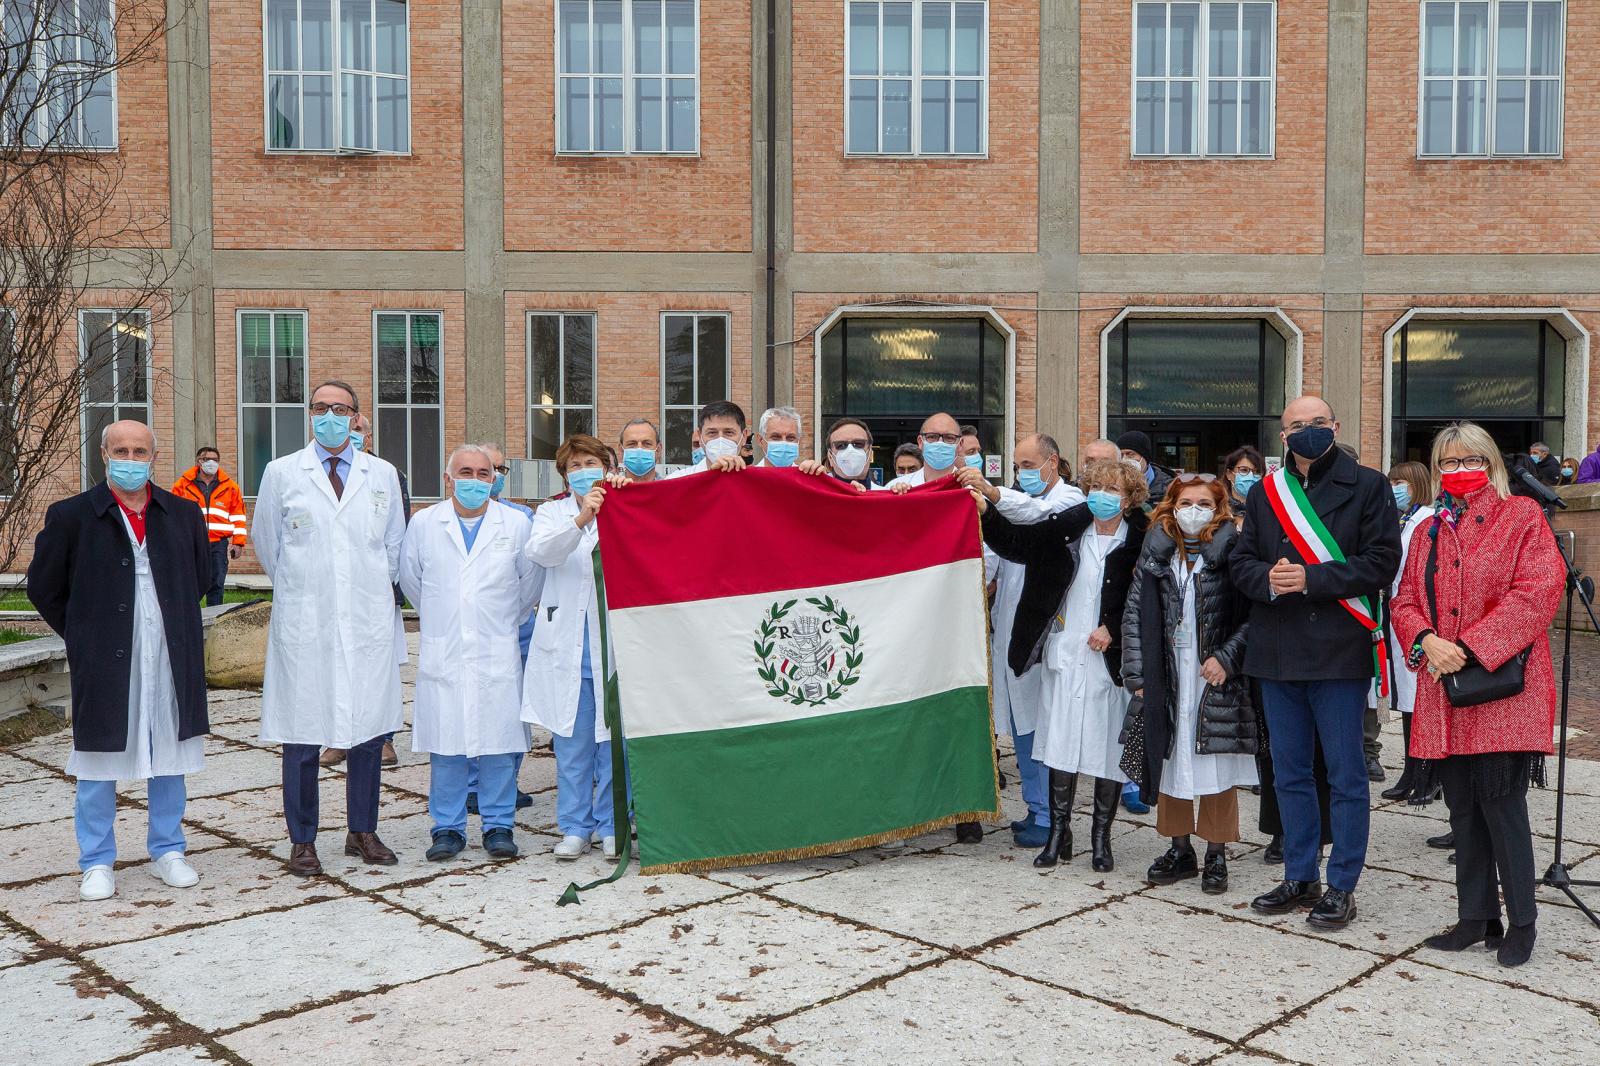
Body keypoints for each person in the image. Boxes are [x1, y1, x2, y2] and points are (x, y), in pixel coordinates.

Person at [1391, 422, 1564, 968]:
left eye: (1469, 461)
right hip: (1444, 689)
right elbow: (1404, 600)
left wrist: (1466, 646)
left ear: (1490, 463)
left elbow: (1538, 593)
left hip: (1502, 687)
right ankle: (1475, 916)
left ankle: (1522, 922)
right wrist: (1424, 639)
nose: (1458, 471)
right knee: (1462, 808)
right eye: (1447, 462)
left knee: (1502, 807)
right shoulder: (1428, 530)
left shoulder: (1522, 517)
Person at [1232, 396, 1401, 928]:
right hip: (1276, 650)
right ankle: (1300, 873)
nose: (1306, 432)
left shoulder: (1368, 485)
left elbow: (1381, 562)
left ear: (1336, 426)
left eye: (1316, 424)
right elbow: (1242, 561)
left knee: (1346, 774)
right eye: (1295, 426)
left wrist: (1311, 579)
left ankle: (1342, 884)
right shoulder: (1266, 491)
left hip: (1337, 650)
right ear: (1283, 437)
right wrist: (1268, 581)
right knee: (1289, 773)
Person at [28, 421, 211, 901]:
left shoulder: (183, 514)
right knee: (98, 758)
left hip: (169, 651)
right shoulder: (72, 516)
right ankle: (96, 860)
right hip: (106, 657)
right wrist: (84, 633)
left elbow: (200, 577)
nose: (131, 459)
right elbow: (43, 587)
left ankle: (168, 849)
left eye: (141, 451)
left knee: (169, 753)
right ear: (104, 455)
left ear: (155, 457)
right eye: (121, 450)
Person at [252, 380, 407, 877]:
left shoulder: (381, 474)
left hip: (366, 622)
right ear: (309, 415)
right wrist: (307, 589)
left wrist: (358, 594)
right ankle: (302, 840)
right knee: (302, 734)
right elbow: (269, 545)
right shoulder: (282, 472)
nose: (332, 416)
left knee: (366, 728)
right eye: (322, 408)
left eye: (341, 409)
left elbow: (393, 548)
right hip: (306, 621)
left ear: (357, 418)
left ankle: (362, 830)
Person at [976, 458, 1146, 868]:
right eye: (1096, 488)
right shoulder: (1071, 524)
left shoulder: (1144, 538)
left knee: (1107, 746)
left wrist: (1113, 627)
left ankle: (1101, 839)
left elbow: (1149, 598)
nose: (1102, 497)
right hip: (1065, 651)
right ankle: (1059, 833)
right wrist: (987, 513)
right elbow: (1020, 543)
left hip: (1111, 658)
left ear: (1129, 499)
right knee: (1060, 744)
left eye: (1113, 491)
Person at [398, 445, 541, 862]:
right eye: (466, 471)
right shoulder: (425, 524)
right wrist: (451, 619)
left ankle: (499, 825)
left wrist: (491, 623)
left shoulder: (515, 524)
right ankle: (447, 827)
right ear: (448, 478)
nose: (475, 480)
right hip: (445, 651)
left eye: (484, 473)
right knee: (447, 746)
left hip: (497, 649)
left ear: (494, 478)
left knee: (498, 743)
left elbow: (528, 587)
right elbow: (412, 581)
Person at [1122, 475, 1257, 894]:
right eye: (1185, 502)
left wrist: (1227, 659)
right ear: (1171, 506)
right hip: (1168, 673)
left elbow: (1254, 614)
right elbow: (1133, 614)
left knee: (1214, 761)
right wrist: (1138, 674)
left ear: (1218, 508)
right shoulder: (1157, 551)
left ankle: (1216, 853)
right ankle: (1180, 849)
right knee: (1171, 760)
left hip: (1213, 674)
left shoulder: (1234, 551)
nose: (1193, 510)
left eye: (1203, 503)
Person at [958, 435, 1087, 848]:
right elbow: (999, 551)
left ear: (1053, 461)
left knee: (1042, 726)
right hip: (1010, 631)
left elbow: (1038, 517)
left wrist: (993, 495)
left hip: (1047, 638)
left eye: (1029, 464)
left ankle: (1051, 816)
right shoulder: (1014, 499)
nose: (1022, 473)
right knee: (1020, 725)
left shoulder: (1070, 502)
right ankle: (1035, 808)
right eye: (1017, 466)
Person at [523, 434, 619, 859]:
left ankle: (612, 824)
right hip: (566, 647)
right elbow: (541, 553)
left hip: (614, 645)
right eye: (575, 465)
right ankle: (575, 827)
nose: (585, 471)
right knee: (573, 745)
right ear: (564, 474)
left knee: (612, 744)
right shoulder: (552, 513)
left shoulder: (626, 506)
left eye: (592, 463)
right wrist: (580, 519)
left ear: (607, 466)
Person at [321, 414, 407, 770]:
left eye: (357, 429)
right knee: (333, 665)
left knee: (378, 670)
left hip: (375, 592)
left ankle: (382, 739)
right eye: (349, 427)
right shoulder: (310, 472)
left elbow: (396, 535)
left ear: (368, 437)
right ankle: (338, 738)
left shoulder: (386, 474)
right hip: (329, 590)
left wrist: (382, 584)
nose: (350, 433)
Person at [1377, 461, 1437, 803]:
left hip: (1418, 616)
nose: (1394, 488)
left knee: (1421, 699)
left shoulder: (1426, 520)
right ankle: (1411, 771)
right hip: (1398, 613)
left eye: (1400, 482)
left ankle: (1429, 776)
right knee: (1408, 702)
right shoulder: (1400, 521)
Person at [170, 445, 247, 606]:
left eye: (215, 460)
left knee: (217, 584)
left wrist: (238, 543)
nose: (211, 463)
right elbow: (172, 515)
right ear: (198, 461)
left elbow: (238, 516)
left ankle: (215, 620)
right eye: (207, 459)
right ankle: (190, 619)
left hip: (218, 545)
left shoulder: (230, 487)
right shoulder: (182, 485)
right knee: (190, 585)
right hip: (192, 543)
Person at [666, 401, 748, 478]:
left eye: (729, 432)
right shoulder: (678, 480)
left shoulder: (755, 483)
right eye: (712, 433)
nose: (720, 440)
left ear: (744, 436)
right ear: (700, 436)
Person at [800, 417, 886, 492]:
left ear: (870, 453)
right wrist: (802, 477)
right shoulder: (815, 494)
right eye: (841, 445)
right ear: (830, 457)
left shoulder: (886, 498)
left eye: (858, 443)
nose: (850, 450)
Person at [889, 413, 962, 490]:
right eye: (932, 437)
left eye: (949, 437)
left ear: (960, 444)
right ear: (920, 442)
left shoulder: (971, 489)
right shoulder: (894, 488)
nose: (940, 443)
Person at [1116, 430, 1174, 502]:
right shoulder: (1112, 484)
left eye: (1130, 454)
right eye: (1121, 455)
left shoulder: (1169, 487)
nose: (1124, 459)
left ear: (1145, 456)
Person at [618, 419, 663, 484]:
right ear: (621, 450)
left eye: (647, 443)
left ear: (658, 450)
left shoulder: (672, 492)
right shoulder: (604, 491)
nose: (639, 449)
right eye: (632, 444)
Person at [1223, 445, 1264, 513]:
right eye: (1244, 470)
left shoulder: (1267, 509)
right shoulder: (1219, 509)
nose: (1251, 477)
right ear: (1229, 474)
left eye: (1257, 472)